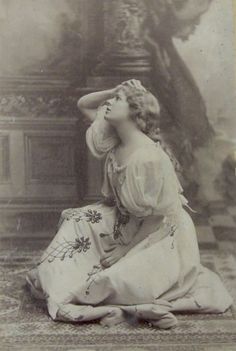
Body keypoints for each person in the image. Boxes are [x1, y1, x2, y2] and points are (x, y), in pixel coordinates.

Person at [25, 79, 232, 329]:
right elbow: (84, 104)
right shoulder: (115, 141)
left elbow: (157, 217)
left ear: (135, 111)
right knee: (76, 221)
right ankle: (77, 286)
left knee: (112, 281)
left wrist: (124, 250)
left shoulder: (147, 157)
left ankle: (130, 310)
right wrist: (115, 90)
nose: (109, 103)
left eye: (118, 100)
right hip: (128, 220)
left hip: (161, 234)